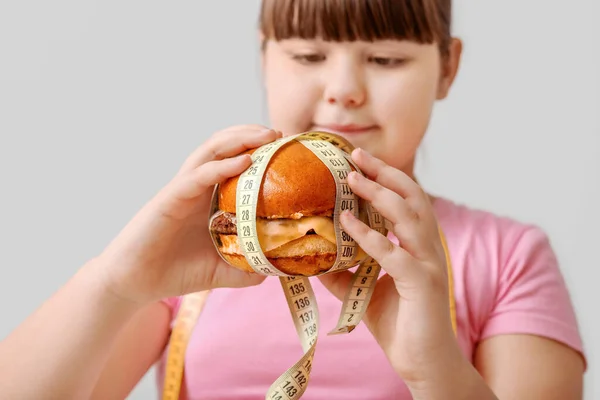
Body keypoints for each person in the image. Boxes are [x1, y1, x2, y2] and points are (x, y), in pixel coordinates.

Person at [0, 0, 587, 398]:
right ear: (264, 57)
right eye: (308, 56)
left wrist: (435, 367)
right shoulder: (205, 248)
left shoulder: (508, 257)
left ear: (447, 68)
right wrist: (115, 283)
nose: (344, 91)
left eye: (386, 59)